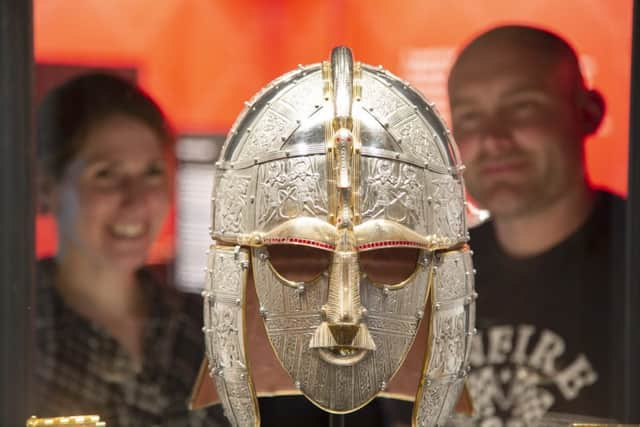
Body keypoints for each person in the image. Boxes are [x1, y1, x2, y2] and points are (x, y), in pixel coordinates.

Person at [447, 25, 626, 424]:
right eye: (470, 116)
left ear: (588, 113)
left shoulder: (628, 260)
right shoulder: (437, 278)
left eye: (522, 106)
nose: (493, 139)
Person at [35, 73, 226, 426]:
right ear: (47, 187)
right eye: (106, 174)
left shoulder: (207, 329)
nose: (137, 200)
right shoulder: (20, 330)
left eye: (152, 172)